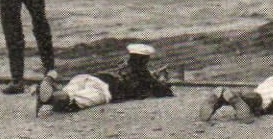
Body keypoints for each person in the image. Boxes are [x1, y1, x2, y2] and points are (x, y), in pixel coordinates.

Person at [36, 43, 173, 115]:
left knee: (68, 92)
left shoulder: (123, 66)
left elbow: (134, 76)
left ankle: (48, 83)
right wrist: (161, 81)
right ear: (146, 59)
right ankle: (49, 98)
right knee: (70, 103)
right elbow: (166, 92)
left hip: (88, 77)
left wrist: (153, 76)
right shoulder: (144, 75)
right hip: (103, 88)